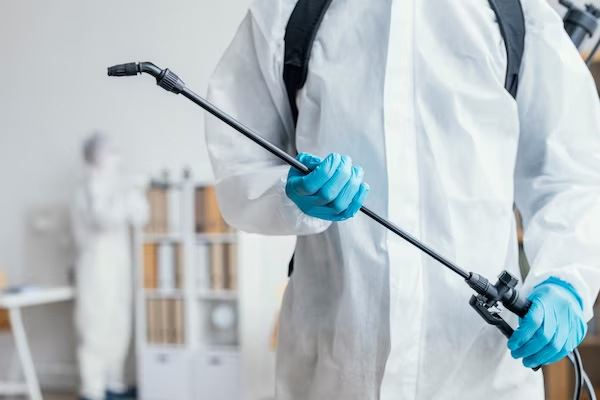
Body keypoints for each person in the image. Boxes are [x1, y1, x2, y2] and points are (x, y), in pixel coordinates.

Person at [205, 1, 600, 399]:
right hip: (332, 374)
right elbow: (239, 160)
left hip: (481, 376)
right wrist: (289, 191)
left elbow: (571, 173)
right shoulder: (285, 10)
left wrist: (565, 282)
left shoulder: (521, 12)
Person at [71, 133, 148, 400]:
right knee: (95, 324)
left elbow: (140, 216)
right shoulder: (89, 185)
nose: (116, 156)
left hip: (118, 264)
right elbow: (103, 218)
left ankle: (113, 382)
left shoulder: (117, 185)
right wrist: (125, 195)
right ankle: (92, 388)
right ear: (95, 155)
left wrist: (131, 192)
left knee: (118, 321)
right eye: (110, 151)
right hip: (95, 264)